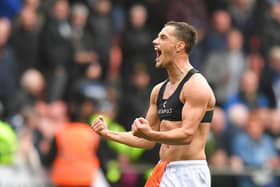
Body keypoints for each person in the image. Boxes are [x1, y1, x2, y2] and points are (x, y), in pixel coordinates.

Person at [91, 21, 216, 187]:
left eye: (163, 37)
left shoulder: (196, 86)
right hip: (164, 169)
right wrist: (108, 133)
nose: (155, 41)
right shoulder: (159, 90)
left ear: (179, 46)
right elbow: (145, 141)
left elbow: (187, 135)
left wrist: (150, 134)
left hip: (189, 172)